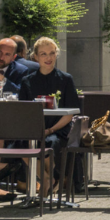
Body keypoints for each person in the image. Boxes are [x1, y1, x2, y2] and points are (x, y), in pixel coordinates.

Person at [17, 37, 84, 197]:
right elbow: (23, 111)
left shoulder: (66, 79)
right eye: (43, 54)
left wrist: (50, 129)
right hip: (34, 129)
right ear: (36, 57)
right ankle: (47, 178)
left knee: (50, 142)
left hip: (59, 129)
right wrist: (35, 130)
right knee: (20, 143)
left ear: (56, 55)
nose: (48, 58)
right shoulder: (27, 81)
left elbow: (71, 113)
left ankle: (48, 181)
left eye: (52, 53)